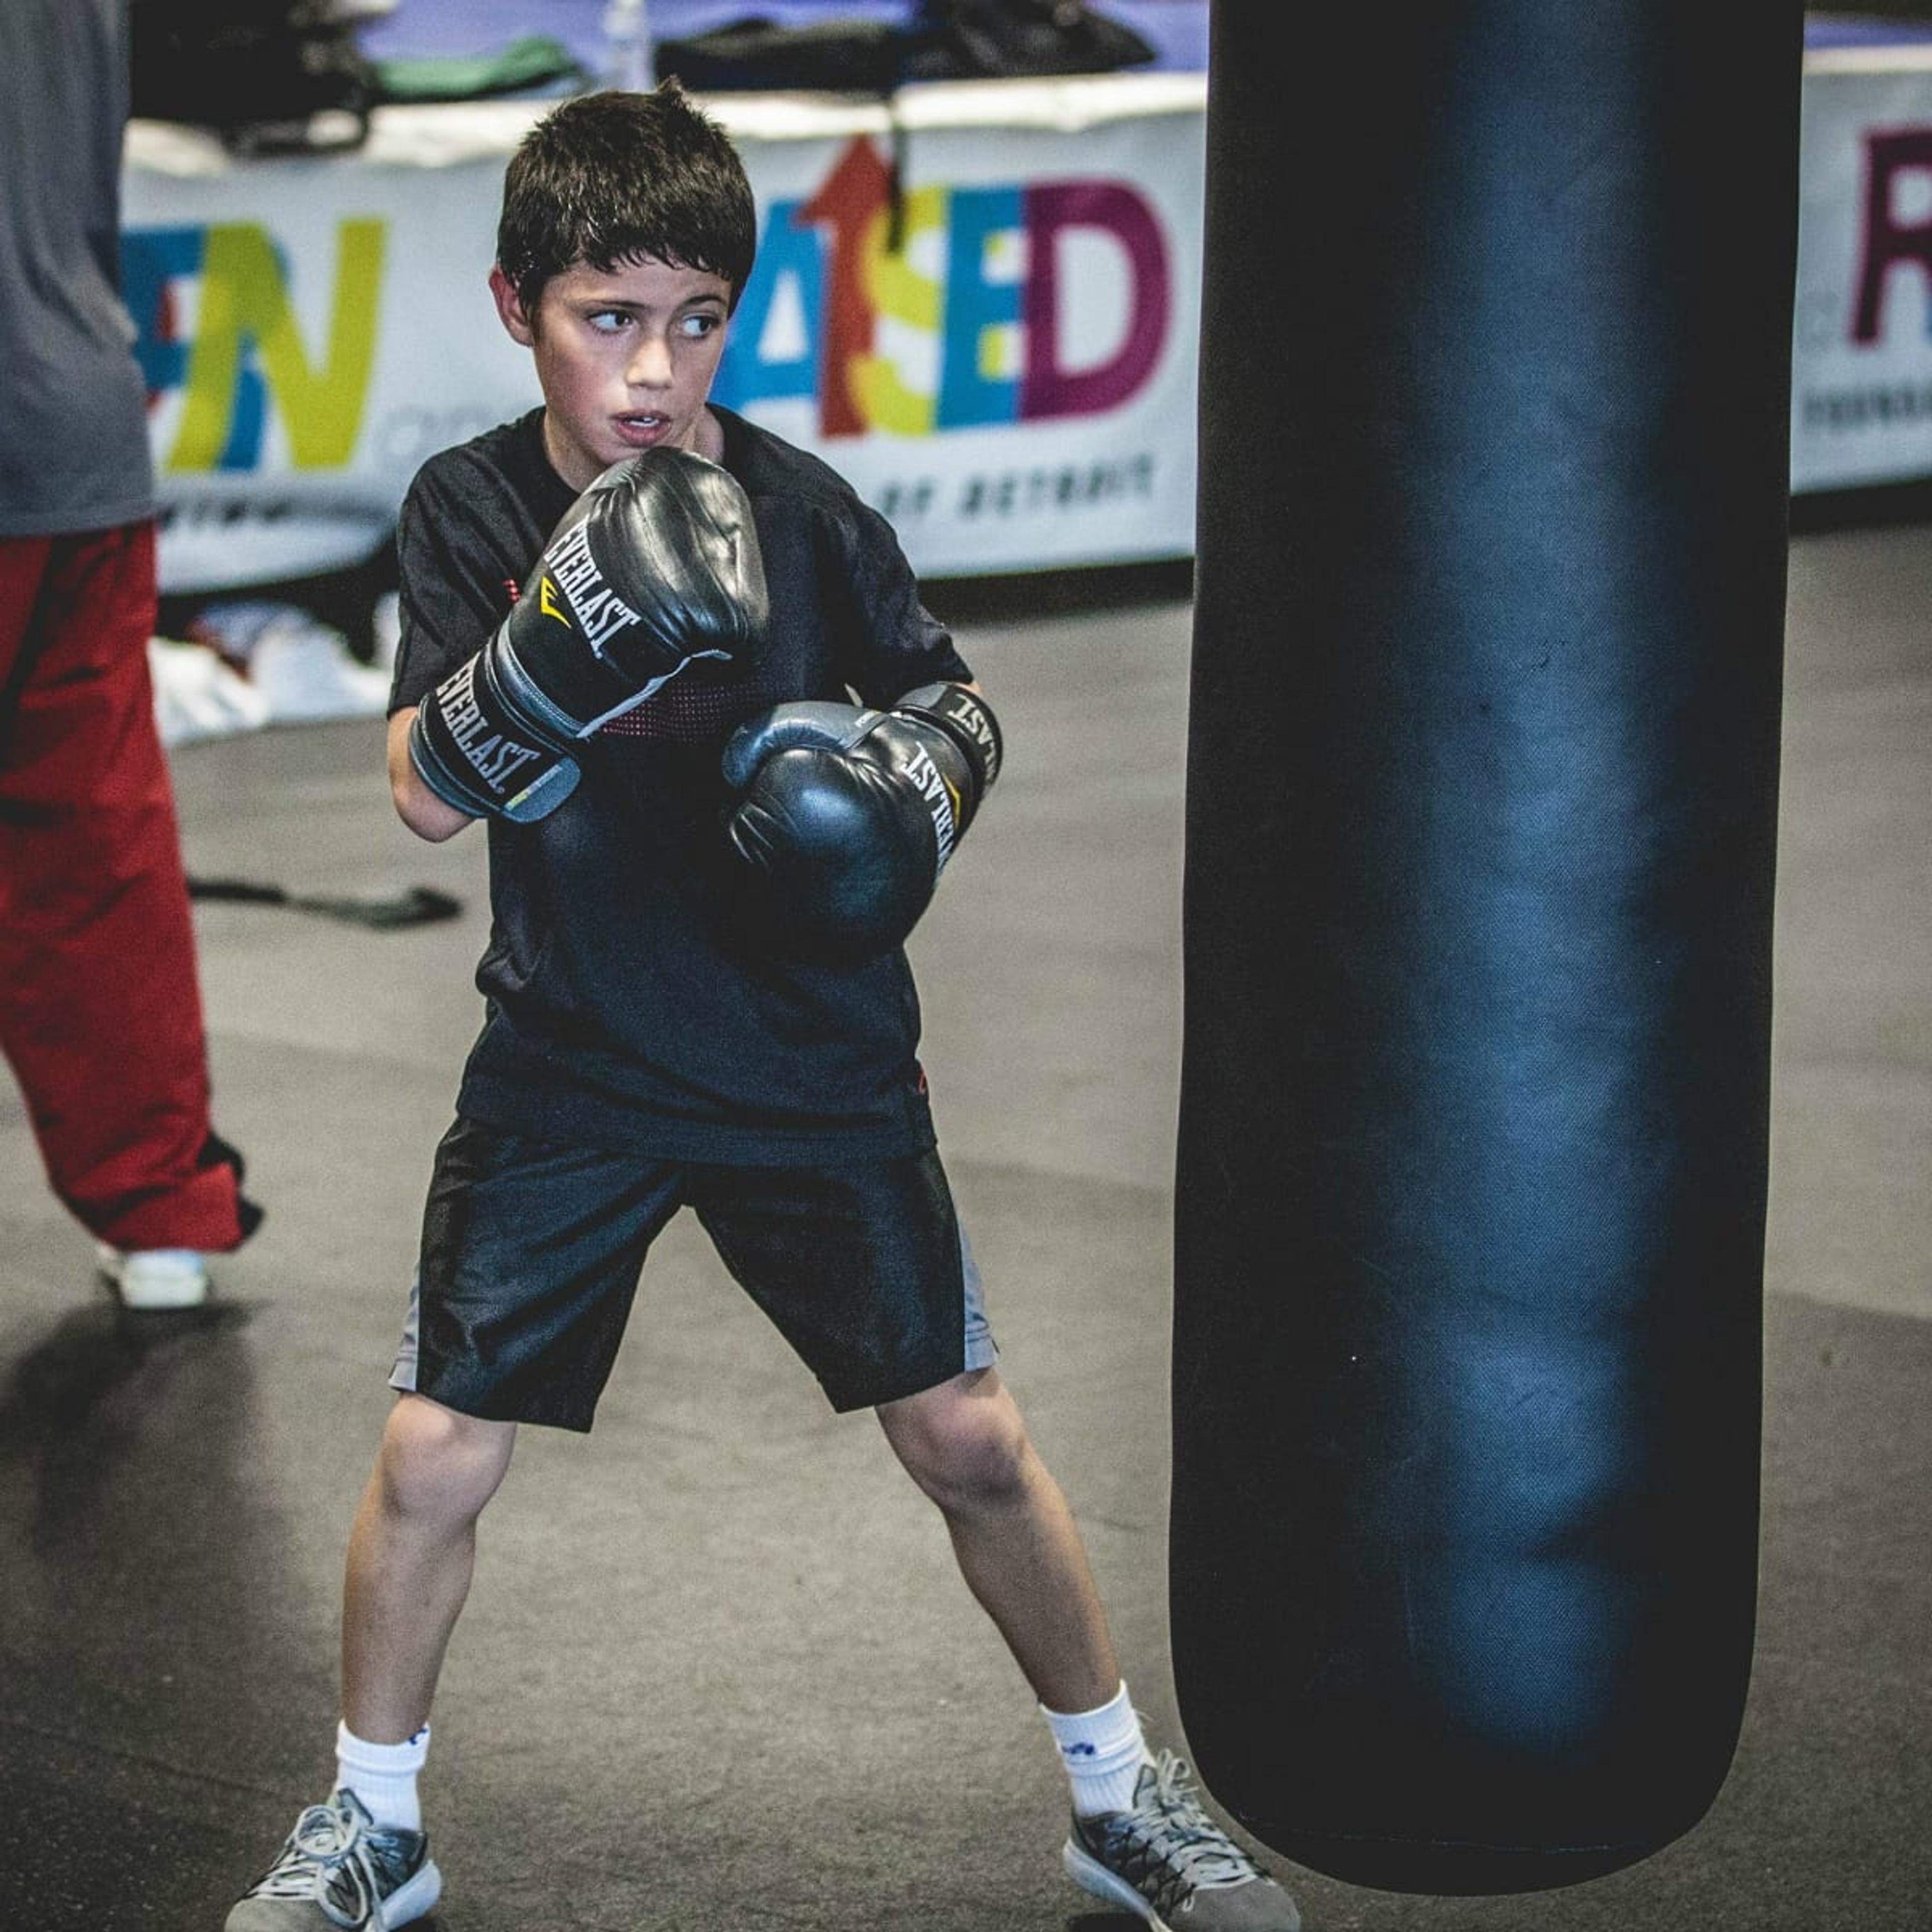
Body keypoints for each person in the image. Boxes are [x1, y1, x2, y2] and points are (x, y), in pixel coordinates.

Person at [223, 82, 1300, 1932]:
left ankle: (1121, 1795)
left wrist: (900, 795)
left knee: (968, 1433)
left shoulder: (805, 518)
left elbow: (958, 708)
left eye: (697, 319)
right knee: (432, 1452)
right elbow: (415, 784)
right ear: (518, 308)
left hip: (812, 1052)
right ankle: (374, 1824)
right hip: (570, 1052)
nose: (654, 367)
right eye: (607, 318)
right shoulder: (469, 506)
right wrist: (536, 674)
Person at [0, 0, 260, 1312]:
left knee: (93, 831)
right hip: (72, 415)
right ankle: (164, 1218)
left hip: (65, 417)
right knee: (90, 835)